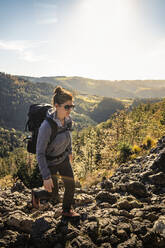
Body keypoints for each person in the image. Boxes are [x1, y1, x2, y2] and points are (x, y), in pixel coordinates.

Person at [31, 86, 80, 217]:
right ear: (57, 106)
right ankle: (36, 194)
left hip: (63, 158)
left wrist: (69, 151)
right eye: (67, 107)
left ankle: (66, 211)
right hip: (50, 162)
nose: (70, 110)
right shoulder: (46, 127)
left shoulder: (68, 120)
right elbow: (40, 153)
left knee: (71, 186)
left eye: (72, 106)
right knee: (52, 194)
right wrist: (46, 177)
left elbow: (68, 137)